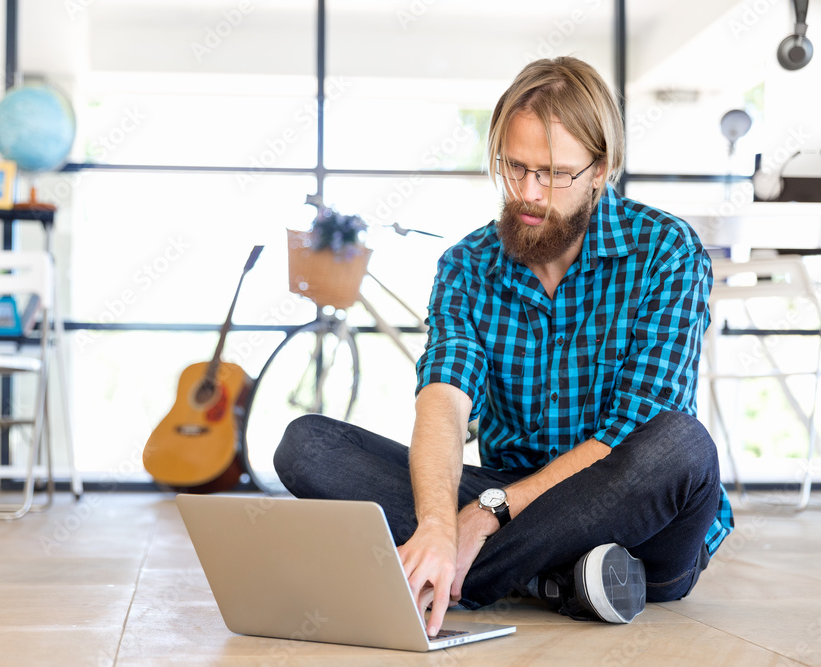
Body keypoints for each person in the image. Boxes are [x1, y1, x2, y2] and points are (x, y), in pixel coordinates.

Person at [273, 56, 733, 637]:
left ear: (601, 169)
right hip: (507, 490)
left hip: (627, 510)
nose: (529, 194)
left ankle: (481, 574)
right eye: (515, 168)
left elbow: (632, 432)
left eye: (553, 173)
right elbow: (444, 397)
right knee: (308, 446)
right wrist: (441, 521)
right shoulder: (469, 264)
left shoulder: (667, 251)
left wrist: (492, 512)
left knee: (680, 448)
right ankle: (558, 579)